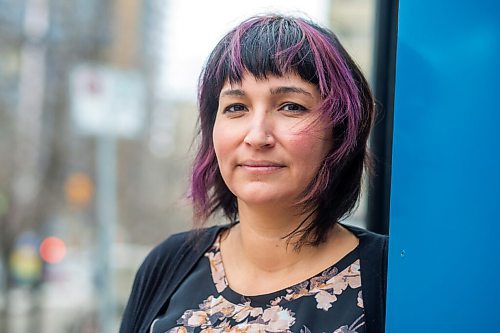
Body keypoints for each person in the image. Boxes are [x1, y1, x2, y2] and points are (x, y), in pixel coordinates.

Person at [120, 14, 387, 333]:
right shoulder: (168, 264)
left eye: (291, 106)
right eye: (236, 108)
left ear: (340, 132)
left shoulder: (388, 276)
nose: (257, 136)